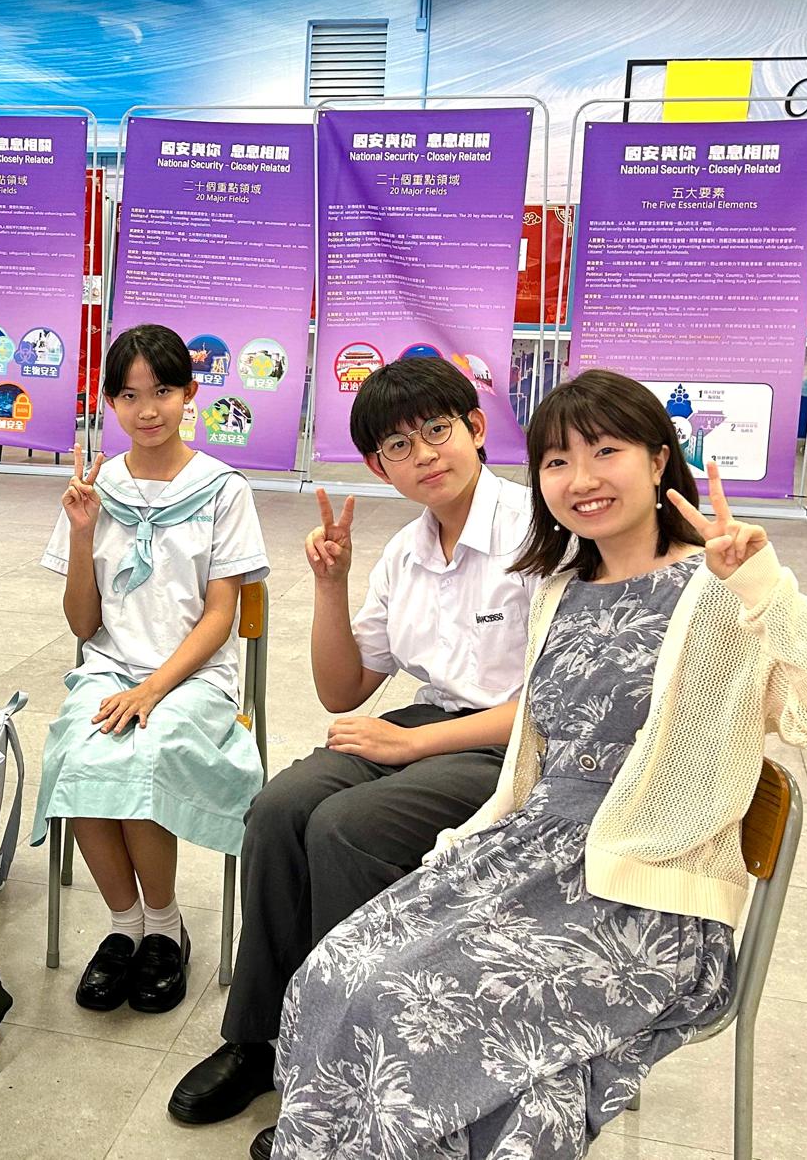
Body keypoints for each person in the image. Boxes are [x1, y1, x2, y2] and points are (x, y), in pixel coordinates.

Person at [263, 370, 807, 1160]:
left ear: (658, 459)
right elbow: (530, 761)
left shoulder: (721, 592)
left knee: (416, 1014)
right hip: (528, 857)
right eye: (558, 461)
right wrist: (467, 843)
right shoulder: (559, 590)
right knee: (332, 972)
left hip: (643, 899)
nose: (582, 478)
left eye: (606, 451)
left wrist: (765, 589)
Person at [171, 357, 535, 1127]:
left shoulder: (535, 531)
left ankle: (346, 1069)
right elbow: (343, 690)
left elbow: (552, 703)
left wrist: (410, 748)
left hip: (514, 745)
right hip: (431, 723)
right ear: (378, 467)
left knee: (346, 827)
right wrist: (330, 584)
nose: (423, 453)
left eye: (437, 429)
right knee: (279, 807)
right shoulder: (408, 550)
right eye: (398, 446)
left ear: (475, 428)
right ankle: (259, 1039)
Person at [32, 323, 269, 1014]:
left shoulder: (223, 489)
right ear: (110, 402)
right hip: (110, 669)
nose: (147, 410)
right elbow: (83, 624)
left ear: (190, 393)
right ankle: (124, 925)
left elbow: (220, 617)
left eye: (162, 391)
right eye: (130, 395)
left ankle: (165, 927)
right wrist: (83, 535)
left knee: (146, 754)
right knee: (81, 751)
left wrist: (154, 688)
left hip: (193, 678)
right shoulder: (96, 489)